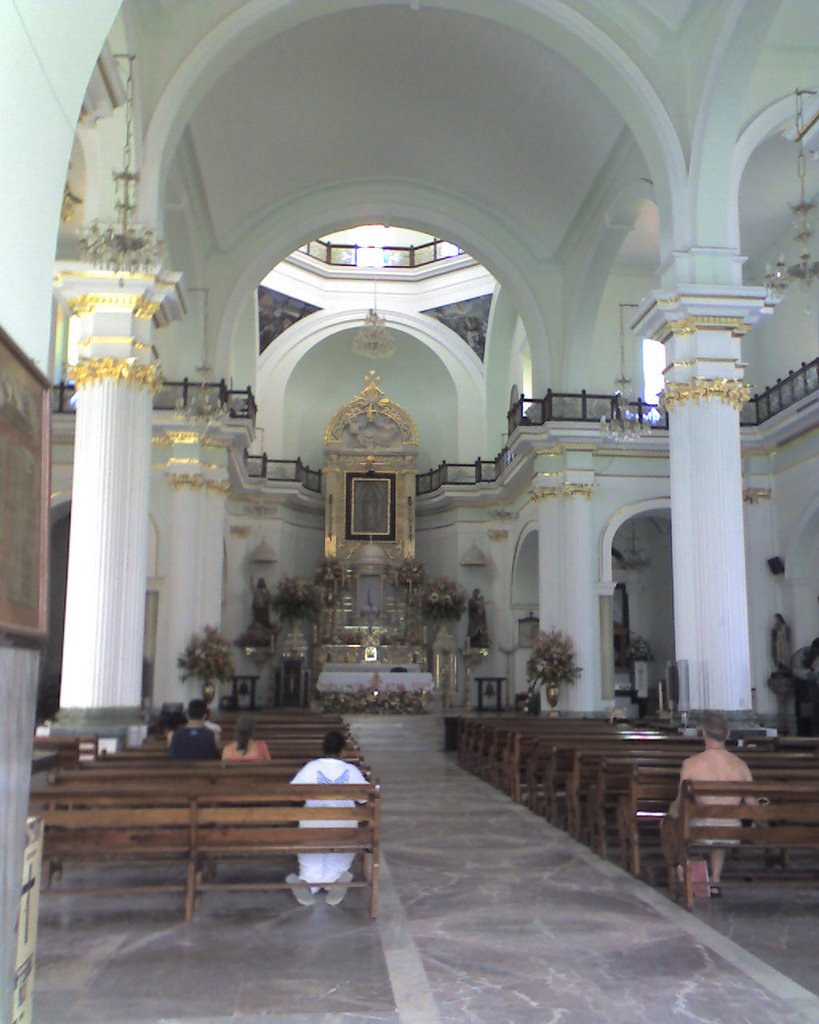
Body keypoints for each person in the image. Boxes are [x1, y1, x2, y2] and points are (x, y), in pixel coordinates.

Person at [669, 711, 753, 895]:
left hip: (702, 827)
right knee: (721, 826)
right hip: (732, 829)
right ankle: (715, 880)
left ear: (703, 734)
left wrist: (670, 812)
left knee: (674, 824)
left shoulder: (691, 764)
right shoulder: (741, 765)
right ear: (728, 734)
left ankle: (685, 871)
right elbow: (752, 804)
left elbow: (680, 801)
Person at [287, 730, 367, 907]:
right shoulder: (350, 770)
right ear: (342, 751)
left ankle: (308, 883)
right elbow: (364, 798)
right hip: (344, 829)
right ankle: (336, 880)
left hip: (312, 826)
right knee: (339, 859)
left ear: (323, 749)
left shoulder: (311, 767)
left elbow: (292, 794)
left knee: (310, 863)